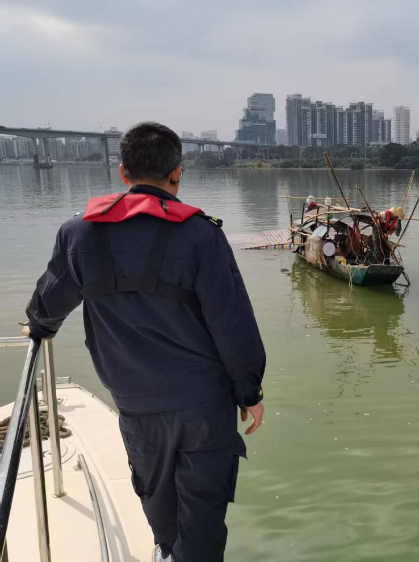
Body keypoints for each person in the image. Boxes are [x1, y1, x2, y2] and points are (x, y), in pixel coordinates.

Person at [22, 122, 266, 562]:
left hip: (136, 402)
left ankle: (167, 553)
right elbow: (232, 323)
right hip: (204, 403)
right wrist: (250, 391)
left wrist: (38, 327)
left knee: (155, 493)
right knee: (203, 508)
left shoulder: (79, 233)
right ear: (177, 174)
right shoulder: (201, 234)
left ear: (123, 172)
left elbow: (49, 303)